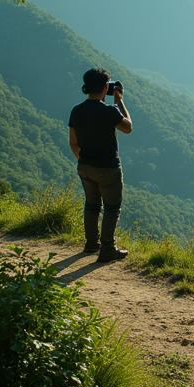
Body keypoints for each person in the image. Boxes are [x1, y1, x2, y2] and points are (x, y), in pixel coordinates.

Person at [68, 68, 133, 263]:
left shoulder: (76, 110)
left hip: (85, 166)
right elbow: (128, 127)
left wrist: (83, 159)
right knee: (112, 208)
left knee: (91, 205)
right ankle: (107, 249)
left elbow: (73, 141)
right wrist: (119, 101)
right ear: (106, 87)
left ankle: (90, 244)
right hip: (108, 168)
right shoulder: (109, 111)